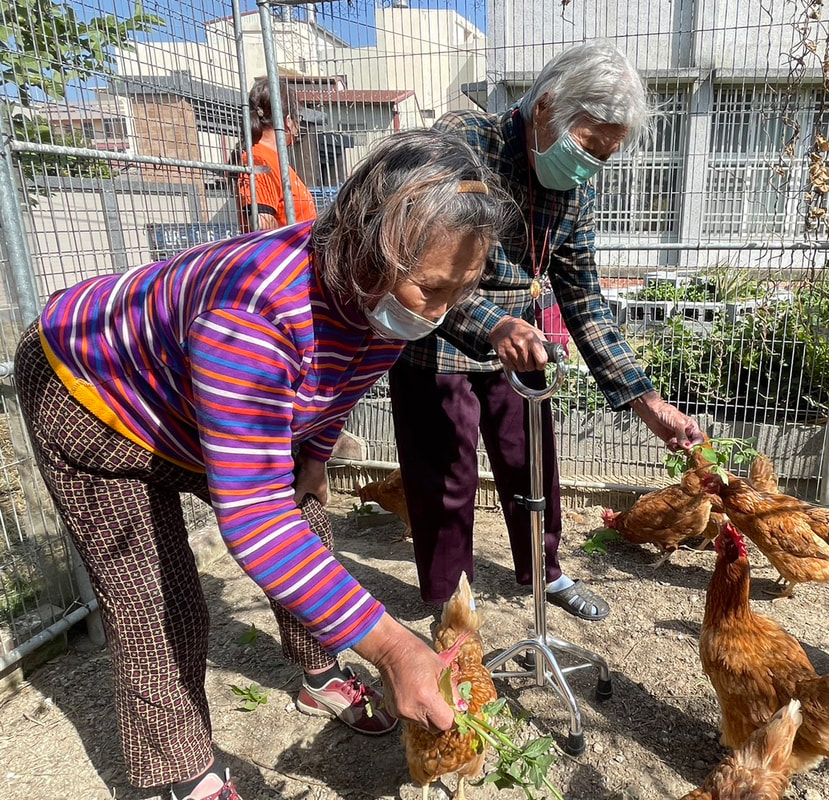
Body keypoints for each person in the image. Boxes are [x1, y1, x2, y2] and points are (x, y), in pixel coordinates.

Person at [13, 129, 509, 800]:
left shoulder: (383, 304)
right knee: (159, 601)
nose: (442, 311)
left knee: (306, 521)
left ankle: (318, 673)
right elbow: (253, 517)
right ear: (367, 250)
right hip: (93, 394)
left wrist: (315, 452)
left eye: (459, 290)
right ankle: (181, 771)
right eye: (432, 288)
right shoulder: (256, 312)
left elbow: (345, 378)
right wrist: (393, 649)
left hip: (188, 394)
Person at [389, 41, 704, 622]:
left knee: (532, 463)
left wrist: (647, 401)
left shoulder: (575, 190)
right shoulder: (463, 144)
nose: (587, 167)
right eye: (585, 147)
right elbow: (413, 268)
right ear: (545, 108)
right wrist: (494, 321)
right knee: (445, 480)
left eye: (602, 159)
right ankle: (448, 601)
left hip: (519, 351)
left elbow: (583, 297)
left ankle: (545, 572)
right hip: (438, 333)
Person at [234, 77, 317, 232]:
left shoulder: (275, 160)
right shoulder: (259, 160)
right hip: (283, 254)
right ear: (287, 122)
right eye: (297, 118)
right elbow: (261, 224)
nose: (298, 127)